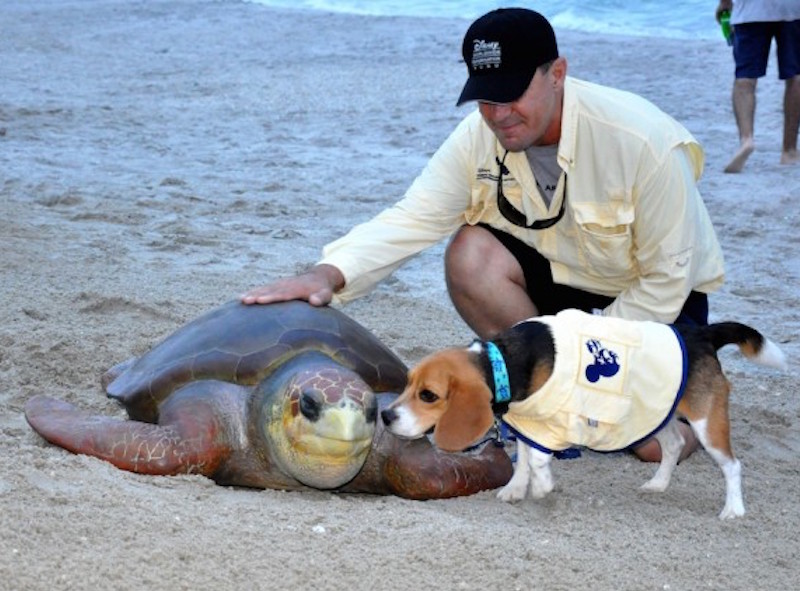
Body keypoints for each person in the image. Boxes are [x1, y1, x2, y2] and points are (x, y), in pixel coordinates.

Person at [242, 8, 725, 462]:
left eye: (512, 93)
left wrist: (582, 354)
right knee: (470, 253)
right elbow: (414, 216)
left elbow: (667, 277)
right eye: (485, 98)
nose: (498, 115)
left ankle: (669, 399)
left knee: (650, 448)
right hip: (560, 283)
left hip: (651, 299)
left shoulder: (643, 141)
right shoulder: (479, 137)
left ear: (557, 73)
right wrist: (329, 273)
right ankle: (536, 395)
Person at [715, 0, 800, 173]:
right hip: (793, 8)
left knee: (745, 79)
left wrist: (724, 3)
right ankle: (789, 150)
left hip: (750, 9)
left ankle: (746, 140)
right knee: (796, 77)